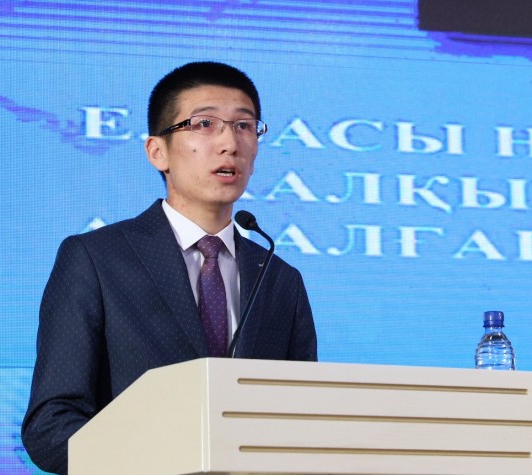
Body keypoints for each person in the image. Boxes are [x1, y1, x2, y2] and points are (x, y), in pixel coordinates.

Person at [21, 61, 318, 475]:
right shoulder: (96, 259)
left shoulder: (280, 279)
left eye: (244, 126)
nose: (229, 143)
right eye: (204, 124)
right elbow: (51, 426)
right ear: (157, 152)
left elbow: (302, 419)